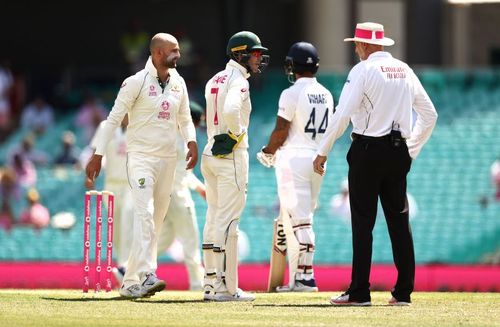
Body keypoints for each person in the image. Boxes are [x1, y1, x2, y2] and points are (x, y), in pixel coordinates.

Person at [313, 22, 438, 306]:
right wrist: (410, 150)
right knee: (399, 220)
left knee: (363, 222)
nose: (356, 49)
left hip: (368, 149)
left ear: (366, 45)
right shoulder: (404, 69)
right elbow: (430, 115)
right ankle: (403, 292)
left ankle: (359, 292)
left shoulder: (363, 70)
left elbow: (342, 113)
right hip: (398, 151)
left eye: (357, 44)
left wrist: (323, 151)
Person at [85, 33, 198, 299]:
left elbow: (185, 118)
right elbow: (112, 120)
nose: (178, 55)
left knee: (154, 224)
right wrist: (98, 154)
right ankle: (148, 274)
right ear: (158, 53)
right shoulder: (135, 82)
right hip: (141, 159)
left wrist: (191, 141)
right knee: (145, 214)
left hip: (168, 160)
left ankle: (128, 281)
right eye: (174, 51)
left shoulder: (178, 82)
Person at [257, 42, 334, 292]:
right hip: (317, 159)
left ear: (293, 65)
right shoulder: (326, 93)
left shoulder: (291, 93)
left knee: (300, 220)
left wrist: (268, 151)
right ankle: (300, 276)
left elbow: (281, 130)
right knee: (304, 217)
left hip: (294, 159)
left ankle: (305, 278)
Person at [201, 31, 269, 302]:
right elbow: (230, 110)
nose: (258, 58)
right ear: (240, 53)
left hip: (210, 151)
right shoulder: (239, 81)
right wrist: (235, 135)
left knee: (213, 216)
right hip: (230, 154)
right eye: (254, 53)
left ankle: (209, 282)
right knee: (229, 221)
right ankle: (226, 288)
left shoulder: (214, 79)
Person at [157, 102, 206, 291]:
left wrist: (200, 188)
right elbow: (180, 174)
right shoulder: (178, 140)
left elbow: (183, 172)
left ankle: (130, 270)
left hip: (167, 195)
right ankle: (197, 283)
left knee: (165, 239)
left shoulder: (172, 137)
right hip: (177, 195)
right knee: (190, 239)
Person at [88, 115, 134, 281]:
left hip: (132, 184)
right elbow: (96, 151)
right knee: (116, 228)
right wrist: (90, 175)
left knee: (128, 221)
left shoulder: (139, 125)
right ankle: (123, 267)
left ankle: (125, 266)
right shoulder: (106, 126)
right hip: (112, 185)